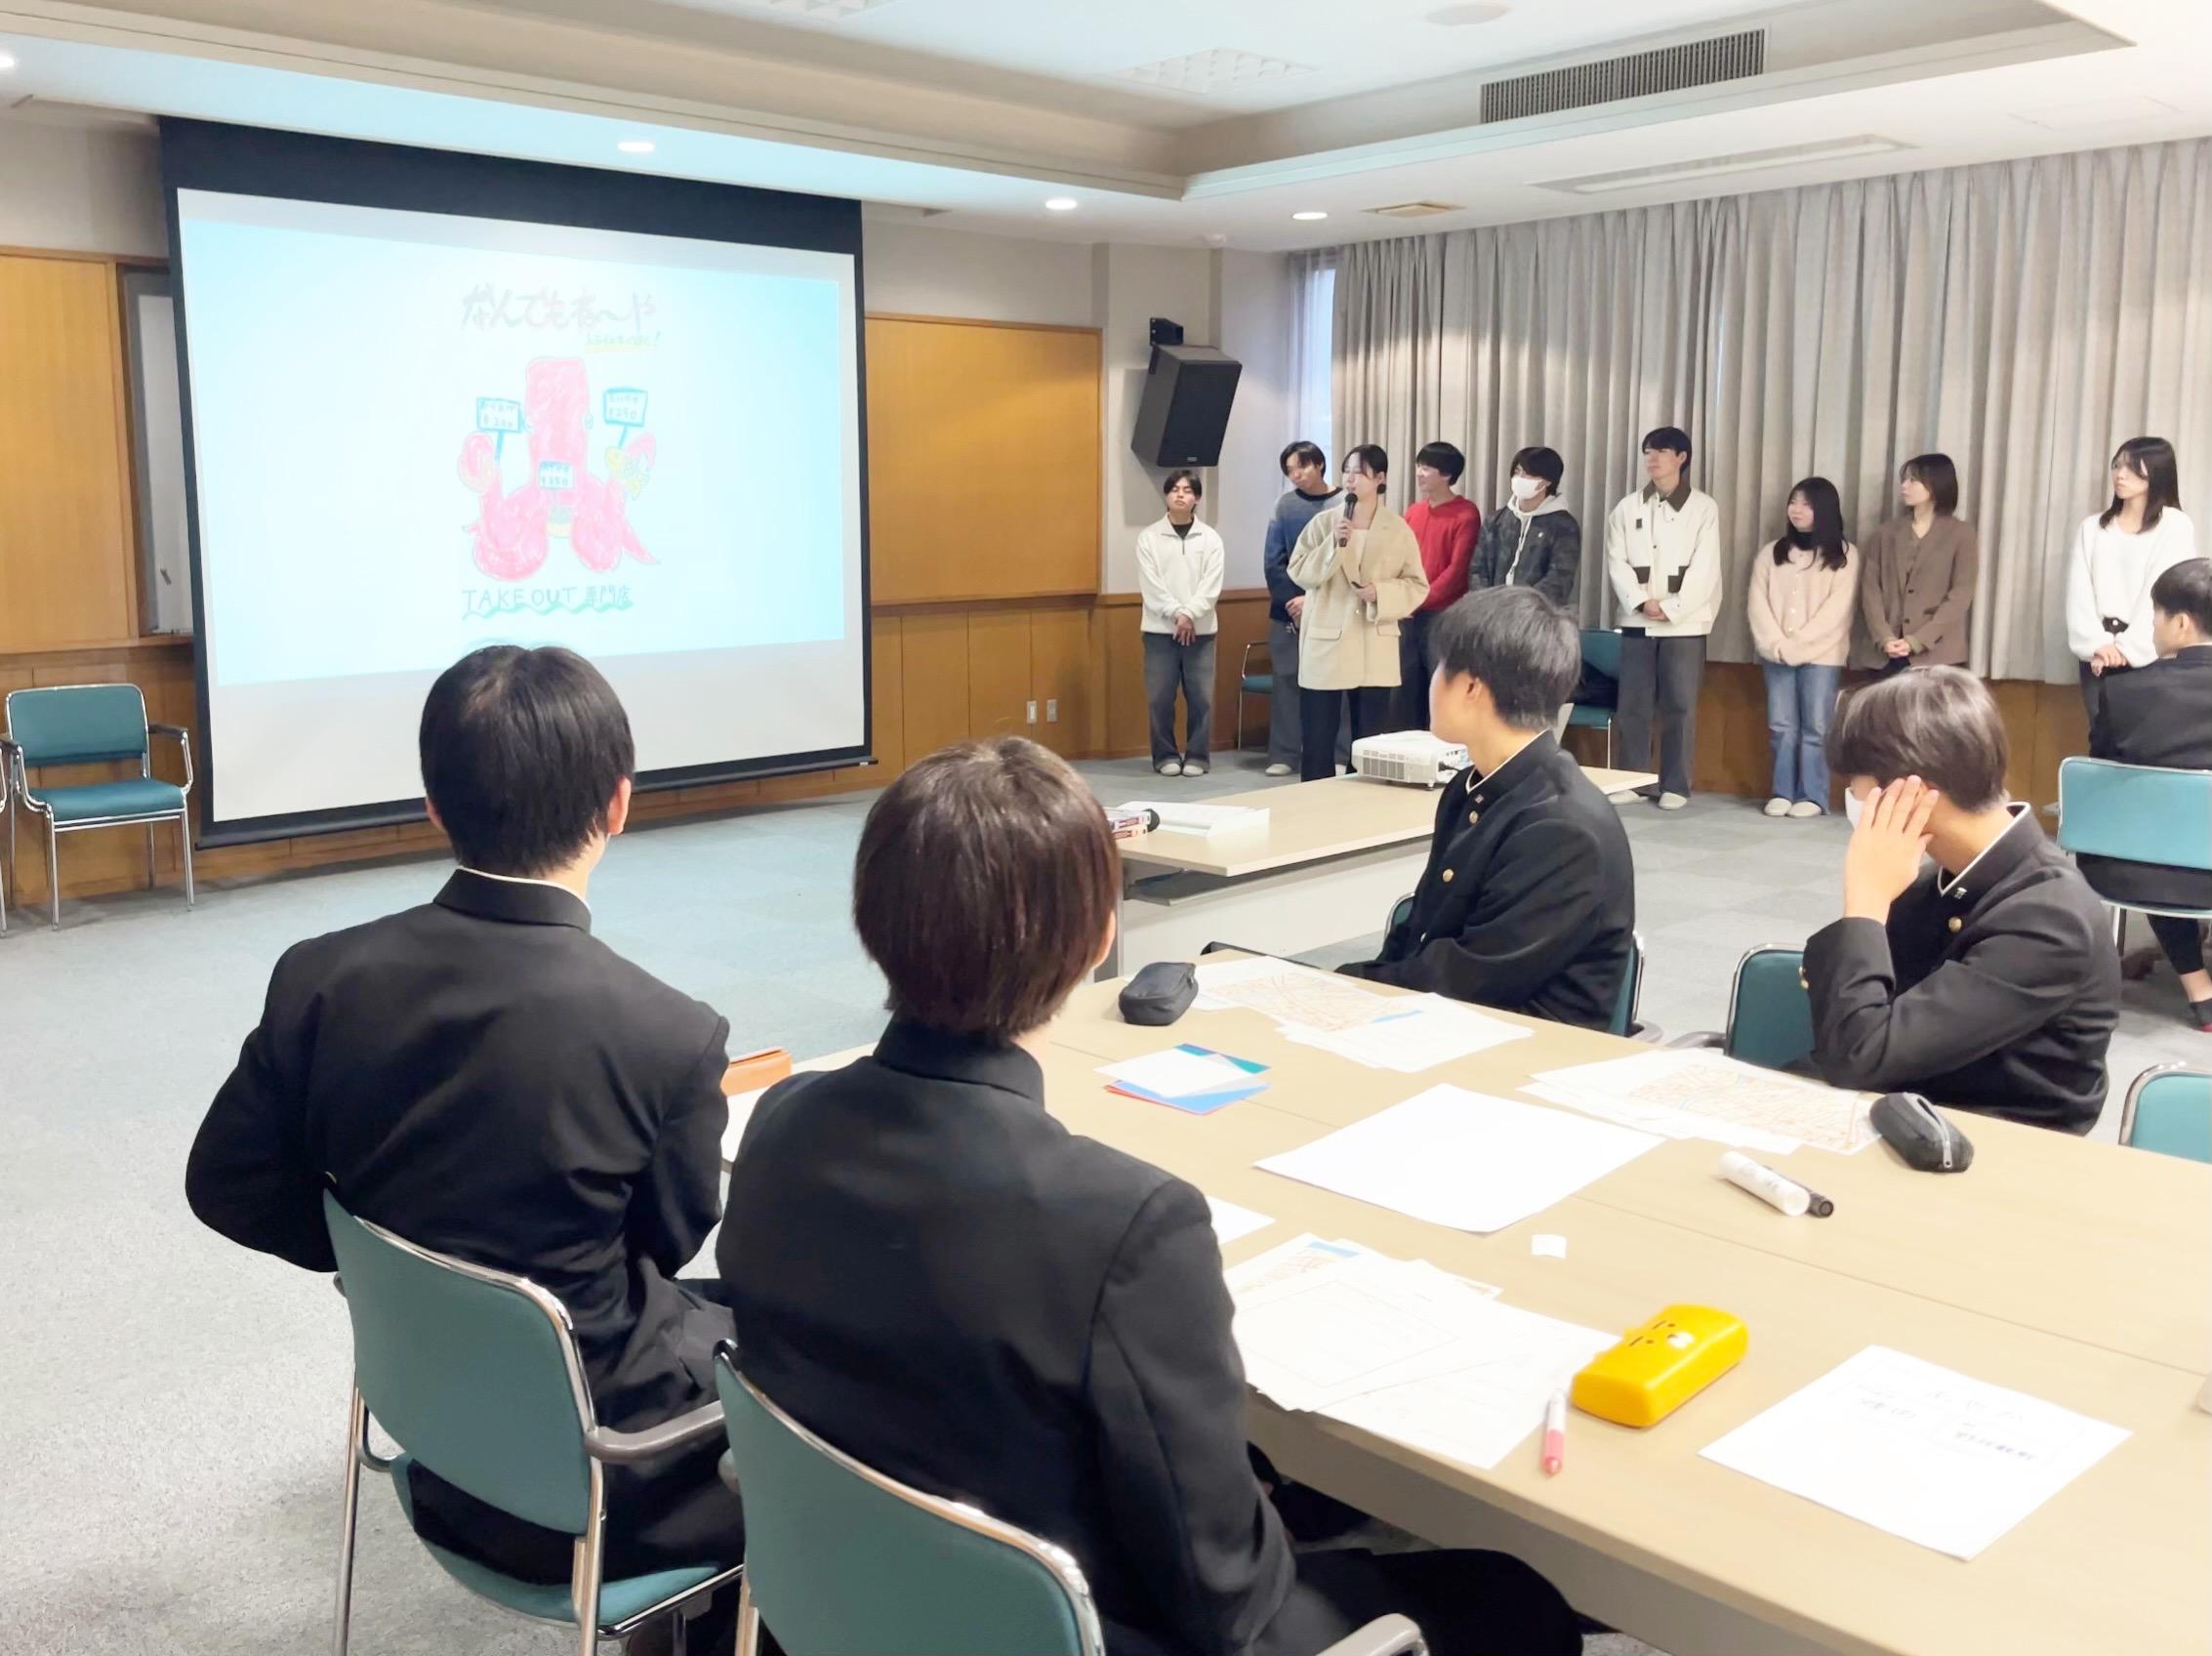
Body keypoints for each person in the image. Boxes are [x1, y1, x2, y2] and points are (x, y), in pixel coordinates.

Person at [717, 737, 1580, 1656]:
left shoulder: (780, 1122)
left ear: (868, 919)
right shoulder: (1126, 1228)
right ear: (1100, 938)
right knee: (1514, 1600)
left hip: (860, 1598)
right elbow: (1227, 1598)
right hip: (1090, 1628)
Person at [184, 645, 743, 1635]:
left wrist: (383, 1263)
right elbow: (663, 1242)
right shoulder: (670, 1035)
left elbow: (225, 1182)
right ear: (618, 804)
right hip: (604, 1489)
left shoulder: (321, 977)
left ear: (433, 806)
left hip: (437, 1438)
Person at [1804, 668, 2119, 1135]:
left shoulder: (2049, 919)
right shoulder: (1936, 882)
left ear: (1913, 792)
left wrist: (1866, 900)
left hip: (1992, 1144)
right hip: (1909, 1114)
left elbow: (1859, 1057)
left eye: (1856, 782)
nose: (1852, 795)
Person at [1341, 588, 1633, 1028]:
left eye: (1441, 668)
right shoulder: (1471, 786)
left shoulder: (1561, 826)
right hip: (1451, 1021)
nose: (1432, 681)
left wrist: (1345, 988)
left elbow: (1471, 978)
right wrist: (1348, 986)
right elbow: (1421, 930)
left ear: (1472, 687)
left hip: (1522, 1047)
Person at [2083, 558, 2212, 1031]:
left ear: (2181, 623)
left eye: (2154, 615)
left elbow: (2099, 775)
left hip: (2133, 872)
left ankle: (2200, 989)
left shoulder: (2124, 692)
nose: (2151, 627)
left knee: (2157, 834)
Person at [1288, 444, 1429, 781]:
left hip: (1373, 640)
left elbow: (1417, 585)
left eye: (1360, 473)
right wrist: (1332, 545)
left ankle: (1364, 798)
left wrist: (1381, 592)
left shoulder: (1398, 528)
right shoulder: (1325, 522)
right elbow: (1299, 571)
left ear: (1380, 478)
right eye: (1347, 471)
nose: (1350, 479)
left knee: (1370, 739)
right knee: (1318, 736)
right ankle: (1314, 797)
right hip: (1328, 638)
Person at [1604, 426, 1720, 808]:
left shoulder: (1703, 508)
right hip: (1637, 620)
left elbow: (1705, 567)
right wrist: (1640, 602)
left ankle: (1675, 784)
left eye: (1661, 451)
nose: (1652, 459)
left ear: (1681, 458)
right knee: (1633, 705)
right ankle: (1631, 780)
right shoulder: (1627, 507)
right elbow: (1616, 560)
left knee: (1679, 704)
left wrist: (1671, 607)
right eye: (1648, 452)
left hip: (1684, 623)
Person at [1746, 476, 1860, 819]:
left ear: (1824, 510)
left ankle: (1812, 795)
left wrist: (1798, 646)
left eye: (1806, 504)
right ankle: (1782, 792)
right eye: (1793, 502)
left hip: (1823, 656)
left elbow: (1837, 612)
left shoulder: (1845, 555)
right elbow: (1757, 604)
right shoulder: (1771, 553)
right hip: (1776, 654)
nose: (1796, 510)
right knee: (1781, 726)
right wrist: (1777, 645)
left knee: (1816, 727)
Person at [2065, 435, 2201, 708]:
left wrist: (2127, 650)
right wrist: (2097, 645)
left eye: (2133, 467)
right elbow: (2078, 594)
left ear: (2157, 472)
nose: (2120, 475)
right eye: (2117, 465)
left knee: (2146, 732)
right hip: (2098, 655)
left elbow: (2164, 592)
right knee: (2100, 731)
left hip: (2152, 652)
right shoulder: (2092, 528)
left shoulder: (2175, 525)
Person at [1135, 469, 1227, 777]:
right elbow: (1151, 586)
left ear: (1196, 497)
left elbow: (1211, 586)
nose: (1180, 495)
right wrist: (1177, 614)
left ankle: (1198, 756)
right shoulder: (1149, 537)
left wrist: (1190, 615)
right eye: (1174, 489)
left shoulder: (1211, 539)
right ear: (1166, 495)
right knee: (1160, 698)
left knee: (1201, 698)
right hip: (1160, 631)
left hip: (1201, 631)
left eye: (1187, 490)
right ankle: (1165, 756)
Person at [1260, 441, 1342, 775]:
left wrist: (1314, 600)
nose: (1296, 475)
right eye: (1290, 470)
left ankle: (1338, 754)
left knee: (1336, 682)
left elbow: (1345, 562)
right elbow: (1273, 561)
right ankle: (1284, 754)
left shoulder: (1343, 504)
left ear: (1319, 464)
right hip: (1288, 611)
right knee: (1287, 680)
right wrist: (1293, 602)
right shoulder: (1284, 506)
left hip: (1333, 610)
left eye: (1302, 466)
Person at [1861, 453, 1979, 675]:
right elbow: (1870, 591)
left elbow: (1961, 594)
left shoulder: (1961, 533)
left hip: (1938, 655)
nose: (1904, 486)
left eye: (1913, 480)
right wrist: (1884, 637)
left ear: (1936, 485)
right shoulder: (1884, 533)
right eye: (1904, 480)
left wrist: (1918, 640)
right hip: (1886, 655)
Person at [1394, 440, 1479, 730]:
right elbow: (1398, 559)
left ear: (1446, 474)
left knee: (1439, 686)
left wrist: (1417, 600)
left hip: (1443, 614)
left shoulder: (1466, 513)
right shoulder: (1413, 511)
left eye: (1426, 468)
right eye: (1419, 466)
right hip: (1407, 614)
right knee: (1405, 687)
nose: (1419, 473)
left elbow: (1457, 571)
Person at [1469, 444, 1580, 608]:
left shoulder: (1563, 525)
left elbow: (1559, 578)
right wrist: (1488, 603)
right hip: (1491, 612)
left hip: (1537, 615)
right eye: (1517, 472)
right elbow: (1478, 569)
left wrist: (1522, 608)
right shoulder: (1496, 520)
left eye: (1528, 473)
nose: (1519, 478)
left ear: (1547, 480)